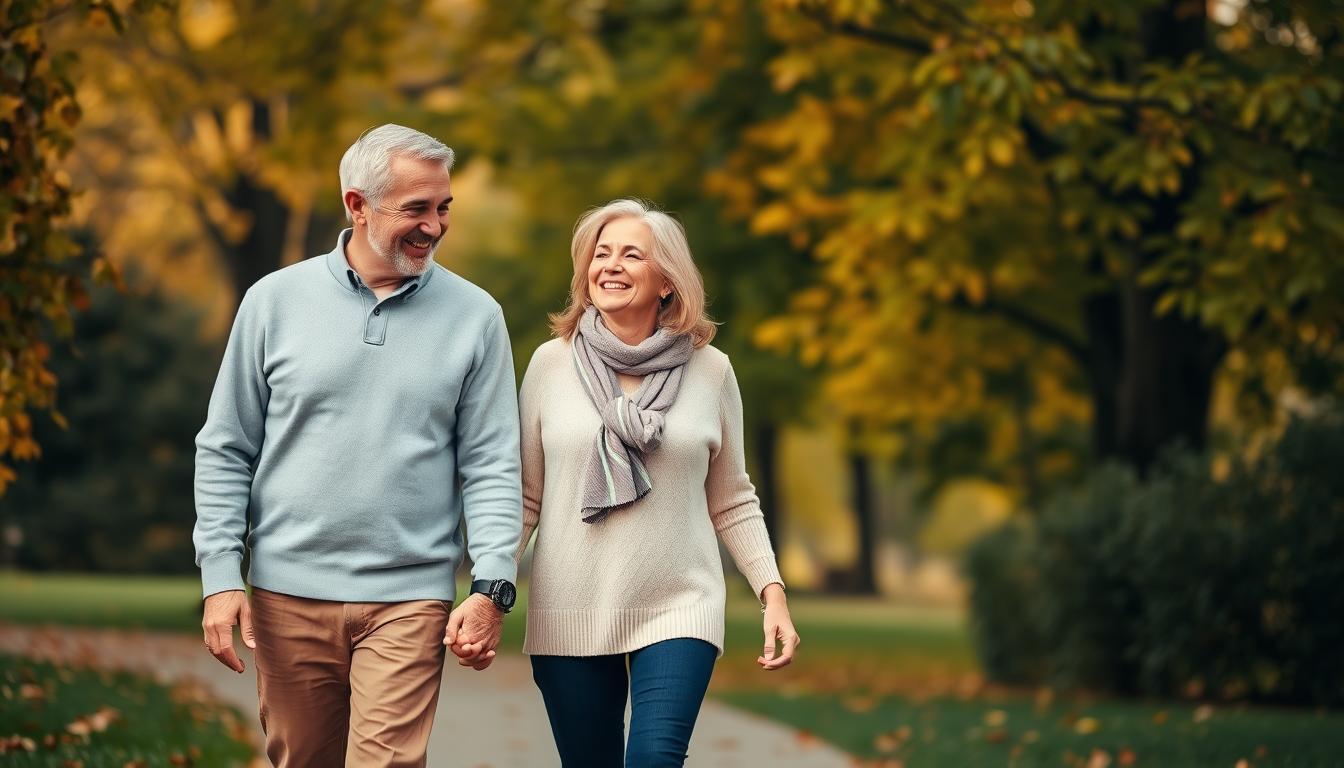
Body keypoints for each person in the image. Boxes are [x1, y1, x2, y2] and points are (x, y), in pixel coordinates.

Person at [193, 123, 522, 767]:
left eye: (444, 207)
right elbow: (227, 447)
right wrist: (219, 576)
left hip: (410, 594)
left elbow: (490, 464)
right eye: (416, 208)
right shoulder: (274, 302)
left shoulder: (475, 315)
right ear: (357, 205)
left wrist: (491, 584)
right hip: (288, 593)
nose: (435, 225)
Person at [515, 198, 801, 767]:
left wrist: (772, 593)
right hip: (571, 606)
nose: (611, 266)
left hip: (679, 604)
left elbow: (732, 498)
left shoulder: (711, 370)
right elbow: (526, 494)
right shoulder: (550, 364)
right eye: (601, 254)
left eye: (631, 255)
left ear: (667, 282)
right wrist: (486, 593)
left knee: (654, 759)